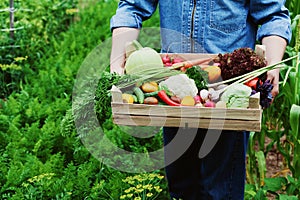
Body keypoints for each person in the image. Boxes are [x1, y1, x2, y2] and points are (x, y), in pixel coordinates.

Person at [109, 1, 291, 199]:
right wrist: (117, 62)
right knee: (181, 186)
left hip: (228, 91)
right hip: (174, 85)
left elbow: (272, 16)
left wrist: (273, 64)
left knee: (221, 190)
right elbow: (132, 7)